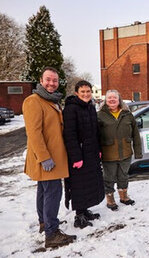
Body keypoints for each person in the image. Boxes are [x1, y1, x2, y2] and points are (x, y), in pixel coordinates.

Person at [22, 67, 76, 249]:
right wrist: (44, 157)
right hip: (47, 159)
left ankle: (44, 223)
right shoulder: (33, 101)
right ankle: (52, 234)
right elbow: (34, 133)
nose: (51, 83)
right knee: (53, 193)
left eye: (54, 80)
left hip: (54, 157)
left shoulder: (51, 101)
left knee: (44, 192)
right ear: (41, 80)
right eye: (48, 79)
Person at [62, 80, 105, 229]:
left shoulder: (90, 108)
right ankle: (79, 216)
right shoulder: (70, 109)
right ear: (76, 93)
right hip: (79, 155)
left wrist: (98, 149)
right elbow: (70, 135)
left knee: (89, 183)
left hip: (91, 153)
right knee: (79, 185)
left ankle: (85, 210)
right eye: (83, 92)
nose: (86, 94)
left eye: (88, 91)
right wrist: (76, 157)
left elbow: (95, 132)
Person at [97, 90, 142, 210]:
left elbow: (136, 134)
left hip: (126, 152)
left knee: (123, 175)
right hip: (108, 154)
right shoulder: (100, 115)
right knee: (109, 177)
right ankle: (110, 198)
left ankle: (124, 196)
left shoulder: (127, 114)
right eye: (109, 98)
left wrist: (138, 152)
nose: (112, 100)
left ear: (119, 100)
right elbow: (95, 136)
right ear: (105, 100)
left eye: (114, 98)